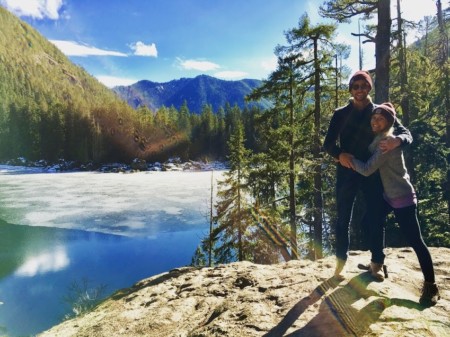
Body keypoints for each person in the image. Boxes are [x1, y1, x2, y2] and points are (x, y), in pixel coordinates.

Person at [323, 70, 412, 281]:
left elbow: (405, 133)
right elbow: (328, 144)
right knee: (343, 217)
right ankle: (340, 264)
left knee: (375, 216)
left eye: (364, 86)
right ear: (351, 89)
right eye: (356, 86)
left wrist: (397, 141)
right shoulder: (341, 114)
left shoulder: (379, 111)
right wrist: (339, 155)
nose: (360, 90)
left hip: (372, 172)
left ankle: (377, 263)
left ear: (369, 88)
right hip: (346, 172)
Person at [351, 102, 440, 305]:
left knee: (416, 241)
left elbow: (366, 169)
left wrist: (348, 159)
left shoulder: (386, 144)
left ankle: (431, 286)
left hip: (402, 198)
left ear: (389, 122)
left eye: (381, 118)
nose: (375, 121)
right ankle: (378, 261)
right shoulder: (380, 139)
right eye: (374, 117)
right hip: (388, 197)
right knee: (368, 222)